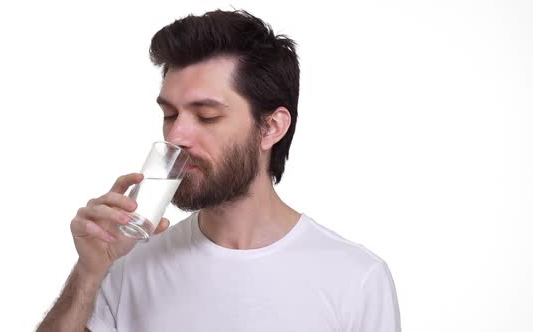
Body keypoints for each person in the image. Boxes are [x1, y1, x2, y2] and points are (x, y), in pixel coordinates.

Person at [37, 9, 401, 332]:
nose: (177, 134)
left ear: (271, 127)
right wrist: (88, 273)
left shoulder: (356, 280)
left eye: (207, 116)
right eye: (169, 115)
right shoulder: (127, 265)